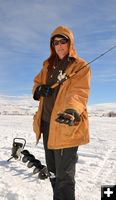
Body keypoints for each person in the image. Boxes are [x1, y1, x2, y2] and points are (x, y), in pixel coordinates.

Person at [32, 25, 91, 200]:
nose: (59, 45)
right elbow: (36, 83)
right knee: (53, 173)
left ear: (69, 42)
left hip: (66, 125)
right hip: (47, 125)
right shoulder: (47, 66)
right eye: (55, 42)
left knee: (64, 178)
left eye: (62, 41)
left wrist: (72, 110)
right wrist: (39, 89)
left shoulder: (80, 65)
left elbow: (79, 93)